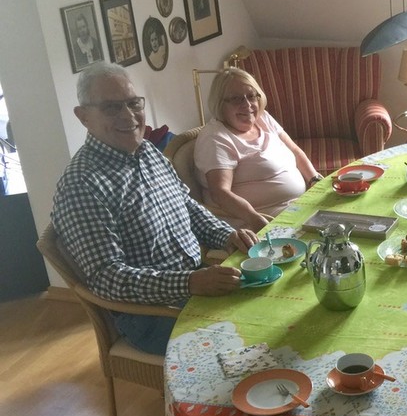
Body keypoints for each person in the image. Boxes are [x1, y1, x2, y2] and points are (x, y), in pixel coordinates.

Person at [52, 62, 259, 355]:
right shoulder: (82, 185)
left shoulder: (147, 151)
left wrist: (227, 236)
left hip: (192, 282)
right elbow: (107, 278)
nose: (128, 115)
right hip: (148, 314)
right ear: (83, 116)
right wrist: (189, 283)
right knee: (249, 340)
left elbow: (187, 205)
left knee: (270, 303)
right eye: (111, 108)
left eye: (133, 103)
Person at [194, 68, 323, 230]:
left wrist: (315, 181)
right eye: (236, 99)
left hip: (300, 209)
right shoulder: (216, 138)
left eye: (251, 96)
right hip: (261, 222)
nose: (247, 105)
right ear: (220, 103)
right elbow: (220, 194)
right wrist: (258, 221)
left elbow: (296, 151)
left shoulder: (263, 118)